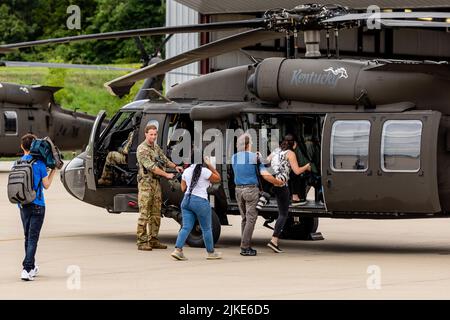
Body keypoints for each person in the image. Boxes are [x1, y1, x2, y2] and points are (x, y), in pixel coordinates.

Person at [231, 134, 284, 256]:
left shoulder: (234, 157)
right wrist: (278, 182)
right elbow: (265, 174)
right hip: (251, 190)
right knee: (251, 219)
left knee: (244, 218)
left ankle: (244, 244)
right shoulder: (254, 157)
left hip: (238, 190)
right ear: (249, 144)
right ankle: (245, 247)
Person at [136, 123, 183, 251]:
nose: (153, 137)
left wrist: (174, 166)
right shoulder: (142, 149)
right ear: (146, 134)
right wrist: (166, 174)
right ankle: (141, 241)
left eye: (155, 134)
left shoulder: (155, 147)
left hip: (156, 183)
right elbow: (152, 167)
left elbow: (164, 159)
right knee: (144, 213)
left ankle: (153, 240)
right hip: (146, 184)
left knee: (156, 213)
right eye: (151, 134)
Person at [18, 134, 58, 281]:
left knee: (27, 237)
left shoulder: (18, 163)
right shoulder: (40, 164)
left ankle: (32, 266)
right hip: (38, 205)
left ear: (22, 146)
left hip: (23, 205)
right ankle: (26, 268)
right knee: (33, 238)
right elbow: (46, 185)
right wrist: (53, 171)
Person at [266, 134, 311, 253]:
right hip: (282, 186)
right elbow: (296, 171)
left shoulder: (276, 151)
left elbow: (266, 162)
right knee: (283, 214)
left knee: (281, 213)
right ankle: (274, 240)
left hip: (274, 184)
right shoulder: (291, 154)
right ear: (294, 144)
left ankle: (274, 240)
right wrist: (306, 166)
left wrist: (274, 175)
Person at [171, 156, 222, 260]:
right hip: (200, 201)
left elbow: (183, 188)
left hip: (186, 200)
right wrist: (210, 165)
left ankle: (177, 250)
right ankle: (211, 253)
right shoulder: (205, 171)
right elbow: (218, 178)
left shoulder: (186, 171)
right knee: (207, 228)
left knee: (186, 227)